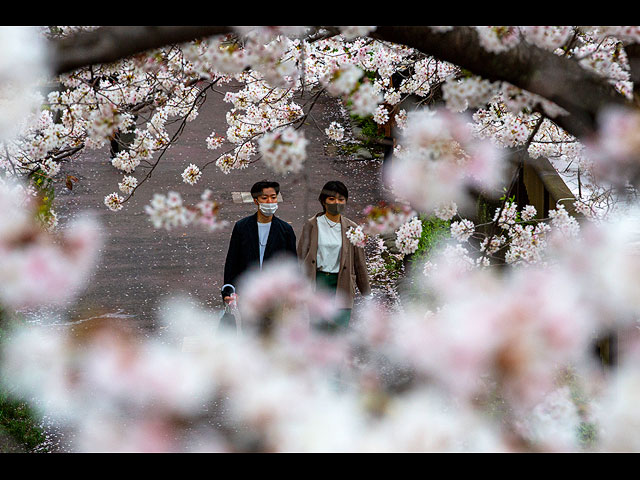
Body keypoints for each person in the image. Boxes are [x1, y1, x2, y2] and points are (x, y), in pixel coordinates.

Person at [297, 180, 371, 331]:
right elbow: (300, 257)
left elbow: (359, 263)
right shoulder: (312, 225)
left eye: (341, 199)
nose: (336, 202)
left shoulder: (352, 229)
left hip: (342, 282)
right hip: (319, 281)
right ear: (323, 202)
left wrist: (366, 292)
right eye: (331, 199)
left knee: (339, 328)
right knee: (318, 328)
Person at [222, 180, 297, 303]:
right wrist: (228, 290)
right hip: (248, 291)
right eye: (264, 198)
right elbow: (232, 261)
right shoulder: (242, 227)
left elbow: (292, 264)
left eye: (273, 197)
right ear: (256, 201)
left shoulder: (285, 230)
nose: (270, 202)